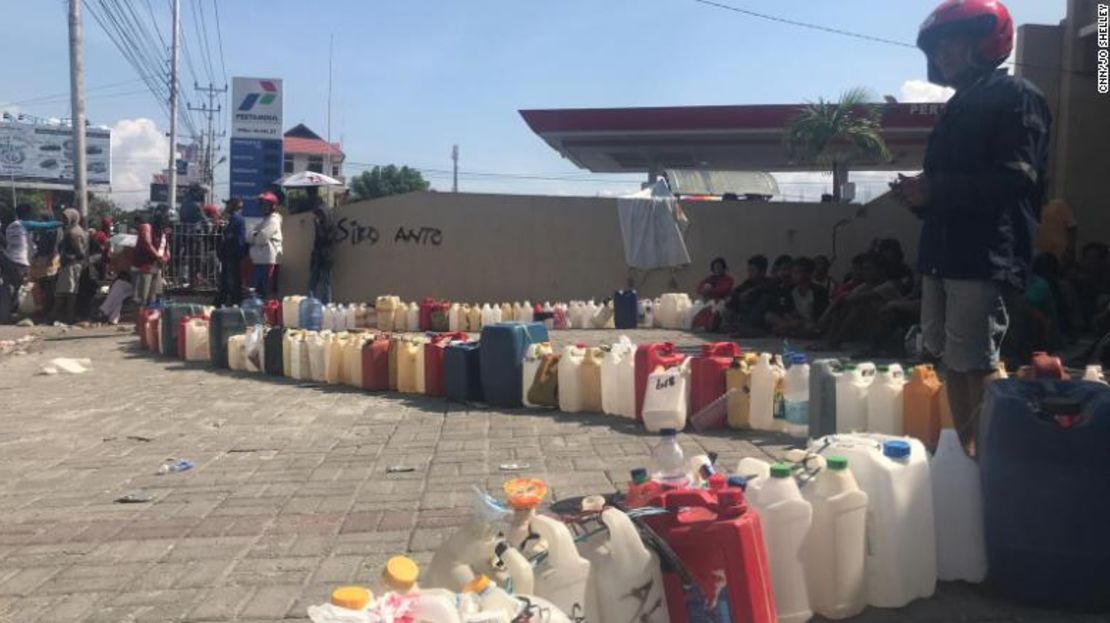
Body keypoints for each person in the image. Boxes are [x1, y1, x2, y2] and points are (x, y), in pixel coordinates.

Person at [894, 0, 1051, 456]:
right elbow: (953, 188)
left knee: (977, 361)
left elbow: (1017, 177)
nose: (943, 54)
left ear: (988, 41)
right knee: (951, 359)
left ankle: (995, 458)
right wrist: (920, 199)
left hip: (983, 253)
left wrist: (936, 189)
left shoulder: (1017, 95)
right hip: (943, 249)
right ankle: (966, 454)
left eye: (953, 43)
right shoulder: (960, 104)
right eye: (938, 47)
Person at [0, 204, 61, 323]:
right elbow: (46, 225)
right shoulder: (22, 224)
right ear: (26, 214)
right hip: (20, 262)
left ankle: (5, 316)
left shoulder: (8, 227)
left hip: (8, 259)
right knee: (24, 287)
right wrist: (61, 222)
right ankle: (27, 311)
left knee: (7, 289)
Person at [766, 257, 830, 338]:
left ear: (808, 274)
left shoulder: (819, 291)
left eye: (797, 273)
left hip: (811, 323)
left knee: (809, 327)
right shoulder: (790, 290)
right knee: (769, 316)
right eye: (793, 273)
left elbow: (820, 315)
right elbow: (787, 310)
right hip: (795, 321)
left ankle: (788, 331)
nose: (794, 276)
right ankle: (788, 331)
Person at [54, 209, 88, 324]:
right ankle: (66, 316)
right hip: (69, 264)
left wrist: (68, 257)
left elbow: (80, 252)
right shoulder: (73, 230)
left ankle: (68, 316)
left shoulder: (74, 232)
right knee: (67, 290)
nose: (63, 220)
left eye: (66, 218)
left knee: (69, 291)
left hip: (71, 265)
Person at [249, 191, 283, 299]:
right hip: (260, 260)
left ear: (273, 206)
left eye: (266, 204)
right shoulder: (265, 220)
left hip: (268, 260)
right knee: (257, 290)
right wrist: (255, 235)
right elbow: (249, 235)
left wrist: (255, 235)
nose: (263, 207)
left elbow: (261, 238)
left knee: (266, 290)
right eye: (262, 204)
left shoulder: (273, 220)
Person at [132, 213, 171, 306]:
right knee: (142, 297)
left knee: (154, 297)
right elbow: (147, 243)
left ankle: (149, 317)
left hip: (156, 266)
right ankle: (140, 318)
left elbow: (167, 248)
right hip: (144, 266)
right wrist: (158, 257)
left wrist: (165, 258)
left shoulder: (163, 233)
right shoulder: (146, 227)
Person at [215, 197, 247, 307]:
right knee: (230, 278)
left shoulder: (236, 219)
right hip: (233, 253)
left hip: (232, 253)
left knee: (231, 279)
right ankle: (229, 300)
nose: (226, 207)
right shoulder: (236, 218)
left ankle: (232, 301)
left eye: (228, 205)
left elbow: (229, 236)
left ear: (233, 206)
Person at [308, 202, 337, 303]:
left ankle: (326, 304)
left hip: (326, 258)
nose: (318, 217)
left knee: (326, 284)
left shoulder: (330, 226)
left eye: (319, 215)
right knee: (312, 282)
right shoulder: (321, 225)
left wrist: (317, 226)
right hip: (318, 258)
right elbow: (316, 243)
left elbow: (324, 239)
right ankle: (311, 303)